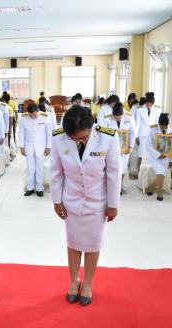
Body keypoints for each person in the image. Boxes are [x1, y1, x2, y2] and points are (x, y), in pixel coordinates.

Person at [50, 105, 121, 306]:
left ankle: (88, 283)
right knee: (73, 243)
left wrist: (113, 204)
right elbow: (56, 171)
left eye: (83, 138)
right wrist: (57, 201)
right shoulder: (58, 137)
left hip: (97, 201)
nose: (79, 141)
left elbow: (114, 173)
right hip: (71, 200)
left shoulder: (108, 137)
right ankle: (74, 281)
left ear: (92, 128)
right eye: (75, 139)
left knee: (92, 244)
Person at [98, 103, 136, 194]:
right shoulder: (107, 118)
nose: (118, 119)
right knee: (111, 167)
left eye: (120, 117)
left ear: (123, 114)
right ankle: (110, 187)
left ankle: (119, 187)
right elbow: (101, 132)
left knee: (122, 168)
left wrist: (130, 146)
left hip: (124, 148)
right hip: (111, 148)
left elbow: (133, 132)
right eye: (116, 117)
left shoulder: (129, 117)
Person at [19, 103, 52, 197]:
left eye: (35, 115)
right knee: (30, 168)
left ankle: (39, 188)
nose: (33, 117)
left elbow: (49, 133)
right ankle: (30, 188)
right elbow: (21, 132)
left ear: (38, 111)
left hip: (41, 146)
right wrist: (21, 146)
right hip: (28, 145)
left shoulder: (45, 117)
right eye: (31, 115)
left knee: (40, 167)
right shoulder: (24, 118)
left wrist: (48, 147)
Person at [146, 113, 172, 201]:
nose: (164, 128)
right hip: (155, 157)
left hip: (167, 157)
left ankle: (151, 187)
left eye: (165, 127)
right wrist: (158, 155)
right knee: (160, 173)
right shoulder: (153, 129)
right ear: (159, 124)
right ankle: (160, 192)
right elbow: (148, 145)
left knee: (161, 174)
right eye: (161, 127)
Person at [136, 92, 160, 169]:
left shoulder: (157, 110)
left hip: (152, 135)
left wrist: (157, 136)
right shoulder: (140, 109)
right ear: (145, 102)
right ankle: (139, 171)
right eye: (148, 104)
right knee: (140, 154)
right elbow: (137, 124)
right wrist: (136, 136)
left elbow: (157, 124)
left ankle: (149, 173)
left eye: (151, 104)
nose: (149, 105)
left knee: (150, 154)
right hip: (142, 134)